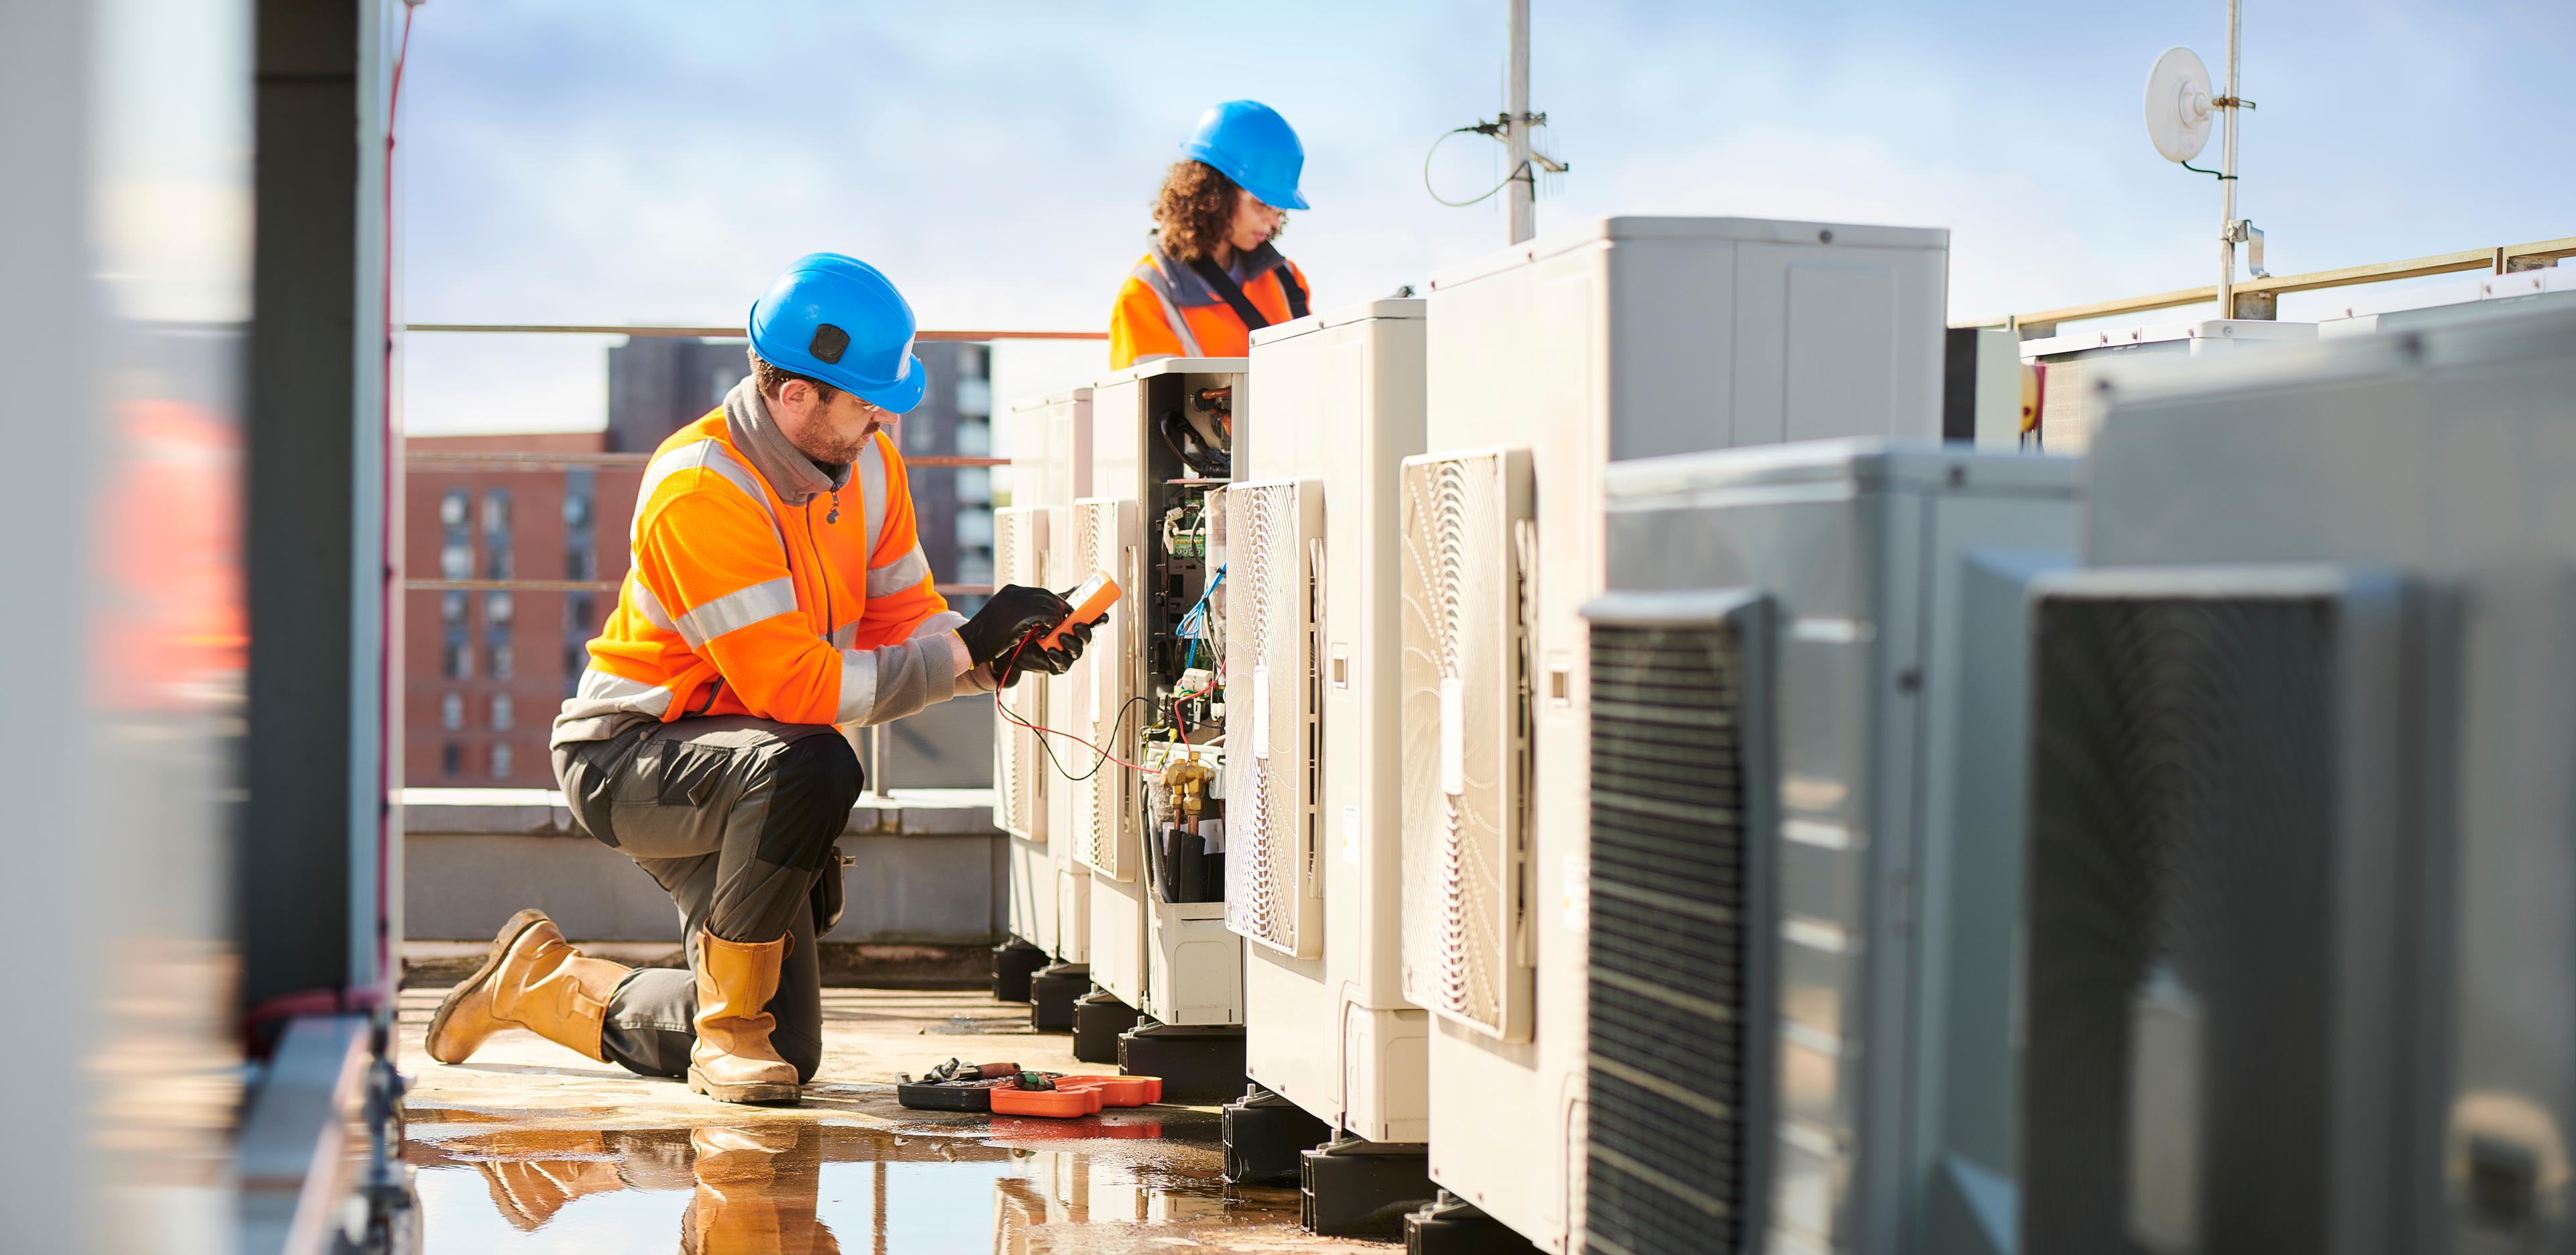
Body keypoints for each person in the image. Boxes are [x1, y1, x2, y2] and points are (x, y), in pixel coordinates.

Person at [422, 252, 1096, 1105]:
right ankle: (725, 1035)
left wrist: (990, 651)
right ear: (795, 396)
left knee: (794, 1049)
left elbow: (902, 621)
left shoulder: (871, 468)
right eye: (866, 401)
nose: (884, 420)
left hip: (753, 762)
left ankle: (540, 983)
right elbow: (794, 687)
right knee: (816, 762)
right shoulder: (701, 488)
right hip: (634, 756)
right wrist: (961, 655)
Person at [1109, 99, 1314, 368]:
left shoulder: (1287, 279)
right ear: (1215, 195)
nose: (1275, 222)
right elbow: (1153, 406)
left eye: (1279, 209)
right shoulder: (1145, 295)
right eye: (1262, 204)